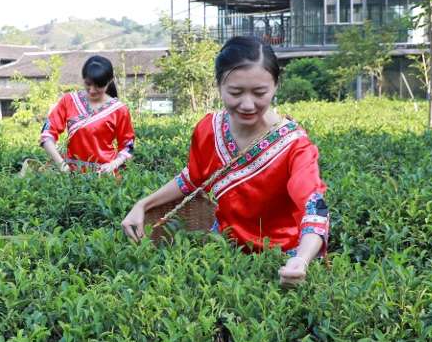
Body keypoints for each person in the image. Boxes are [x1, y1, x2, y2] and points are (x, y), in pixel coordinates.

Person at [121, 37, 329, 287]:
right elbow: (193, 179)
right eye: (235, 92)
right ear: (219, 85)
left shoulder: (295, 145)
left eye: (260, 92)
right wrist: (143, 205)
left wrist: (302, 260)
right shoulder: (209, 128)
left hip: (281, 259)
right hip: (223, 250)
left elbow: (313, 207)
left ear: (276, 86)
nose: (248, 104)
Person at [40, 55, 136, 174]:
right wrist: (61, 164)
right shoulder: (69, 100)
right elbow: (47, 133)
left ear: (109, 81)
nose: (92, 90)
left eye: (98, 86)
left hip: (105, 174)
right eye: (88, 84)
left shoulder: (119, 110)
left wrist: (113, 164)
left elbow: (128, 145)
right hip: (71, 173)